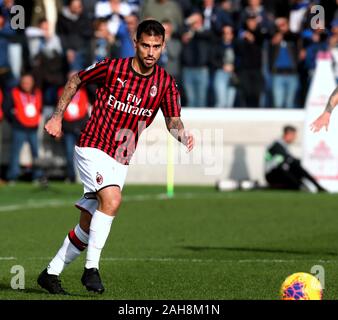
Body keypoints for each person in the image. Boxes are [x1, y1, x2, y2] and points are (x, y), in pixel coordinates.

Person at [37, 19, 194, 295]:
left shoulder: (165, 84)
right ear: (135, 43)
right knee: (112, 199)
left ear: (163, 47)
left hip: (121, 158)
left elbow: (172, 121)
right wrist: (57, 116)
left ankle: (50, 273)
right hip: (92, 146)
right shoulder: (112, 67)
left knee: (88, 225)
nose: (150, 52)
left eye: (156, 47)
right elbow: (76, 79)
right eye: (145, 45)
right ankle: (91, 269)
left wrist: (182, 135)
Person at [4, 73, 43, 183]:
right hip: (19, 128)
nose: (26, 85)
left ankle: (38, 175)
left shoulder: (37, 93)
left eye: (28, 83)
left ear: (32, 83)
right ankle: (12, 176)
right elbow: (7, 109)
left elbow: (39, 108)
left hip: (33, 127)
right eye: (24, 83)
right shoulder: (14, 92)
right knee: (15, 152)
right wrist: (14, 120)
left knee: (36, 152)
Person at [265, 125, 326, 192]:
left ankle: (315, 186)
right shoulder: (277, 144)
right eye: (294, 135)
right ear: (289, 134)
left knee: (296, 166)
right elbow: (287, 159)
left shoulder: (283, 145)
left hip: (279, 172)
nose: (295, 137)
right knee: (295, 165)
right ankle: (303, 186)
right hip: (272, 175)